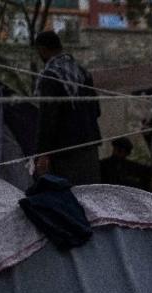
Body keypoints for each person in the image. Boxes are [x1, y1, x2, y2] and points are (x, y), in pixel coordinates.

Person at [33, 30, 101, 185]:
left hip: (64, 153)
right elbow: (96, 110)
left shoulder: (50, 76)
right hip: (89, 147)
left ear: (42, 49)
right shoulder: (83, 72)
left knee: (65, 198)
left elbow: (47, 120)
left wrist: (42, 154)